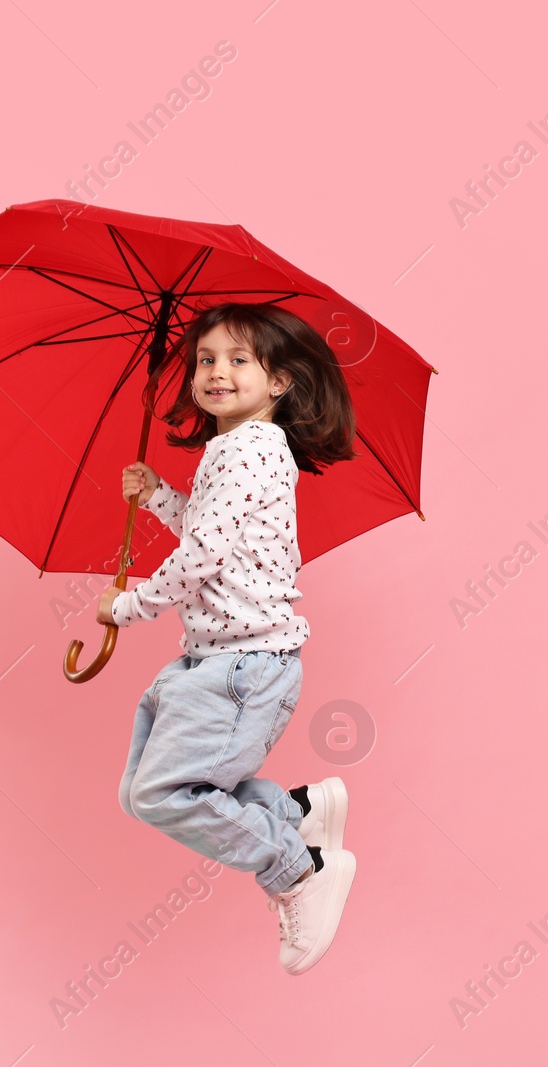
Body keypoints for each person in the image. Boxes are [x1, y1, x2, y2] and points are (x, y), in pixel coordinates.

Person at [97, 301, 361, 975]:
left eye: (239, 359)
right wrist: (159, 496)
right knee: (141, 792)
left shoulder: (249, 451)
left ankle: (297, 869)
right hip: (217, 662)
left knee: (161, 793)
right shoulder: (236, 450)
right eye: (206, 360)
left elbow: (205, 555)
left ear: (278, 382)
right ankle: (295, 808)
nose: (217, 372)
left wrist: (129, 606)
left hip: (243, 668)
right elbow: (214, 533)